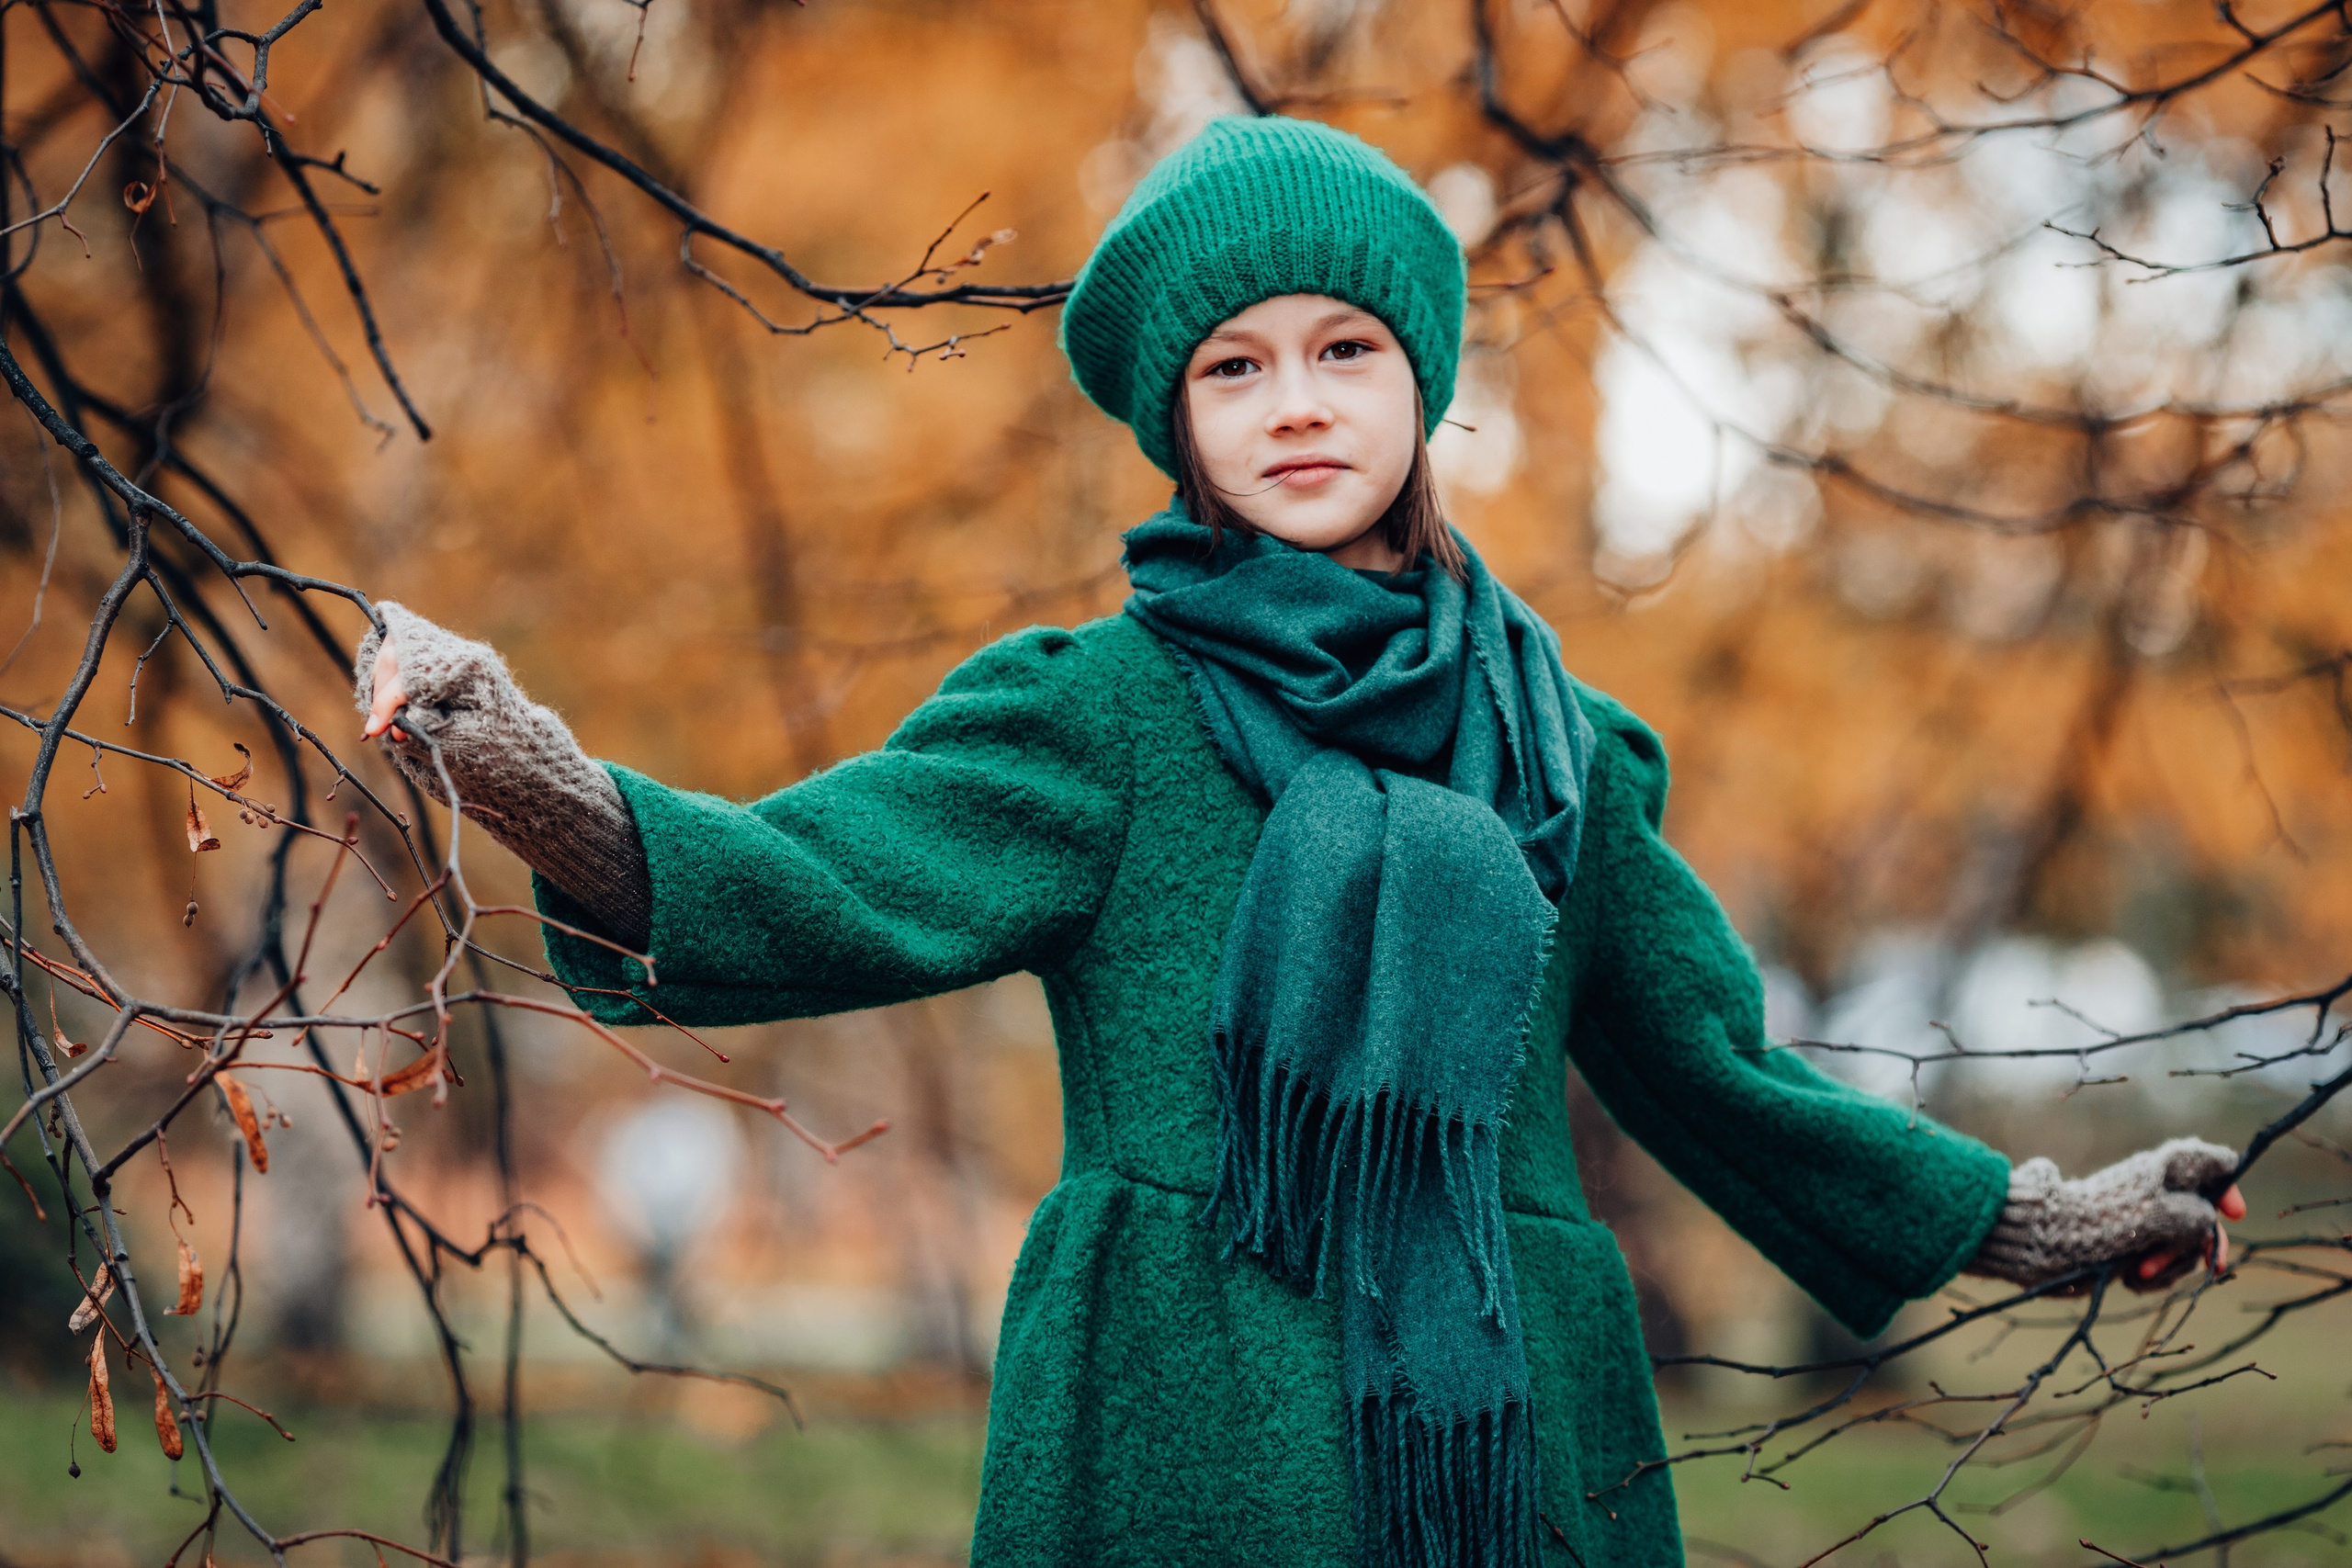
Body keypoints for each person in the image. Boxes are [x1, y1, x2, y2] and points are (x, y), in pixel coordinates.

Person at [355, 117, 2247, 1568]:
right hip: (1181, 1398)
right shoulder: (1096, 712)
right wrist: (516, 761)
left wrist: (2035, 1220)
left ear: (1421, 382)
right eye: (1234, 367)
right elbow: (820, 880)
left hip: (1512, 1414)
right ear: (1177, 420)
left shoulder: (1562, 746)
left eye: (1342, 347)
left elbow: (1717, 1072)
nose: (1297, 404)